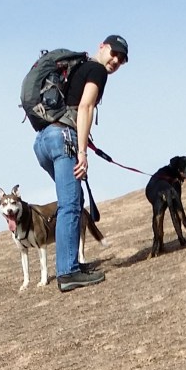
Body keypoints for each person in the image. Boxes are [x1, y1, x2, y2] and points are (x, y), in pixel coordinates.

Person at [33, 36, 129, 293]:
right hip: (63, 137)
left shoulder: (77, 66)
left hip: (43, 141)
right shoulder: (96, 70)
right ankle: (68, 273)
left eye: (121, 59)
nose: (116, 61)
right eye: (114, 53)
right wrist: (83, 153)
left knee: (73, 201)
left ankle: (72, 264)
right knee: (70, 205)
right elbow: (85, 107)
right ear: (102, 46)